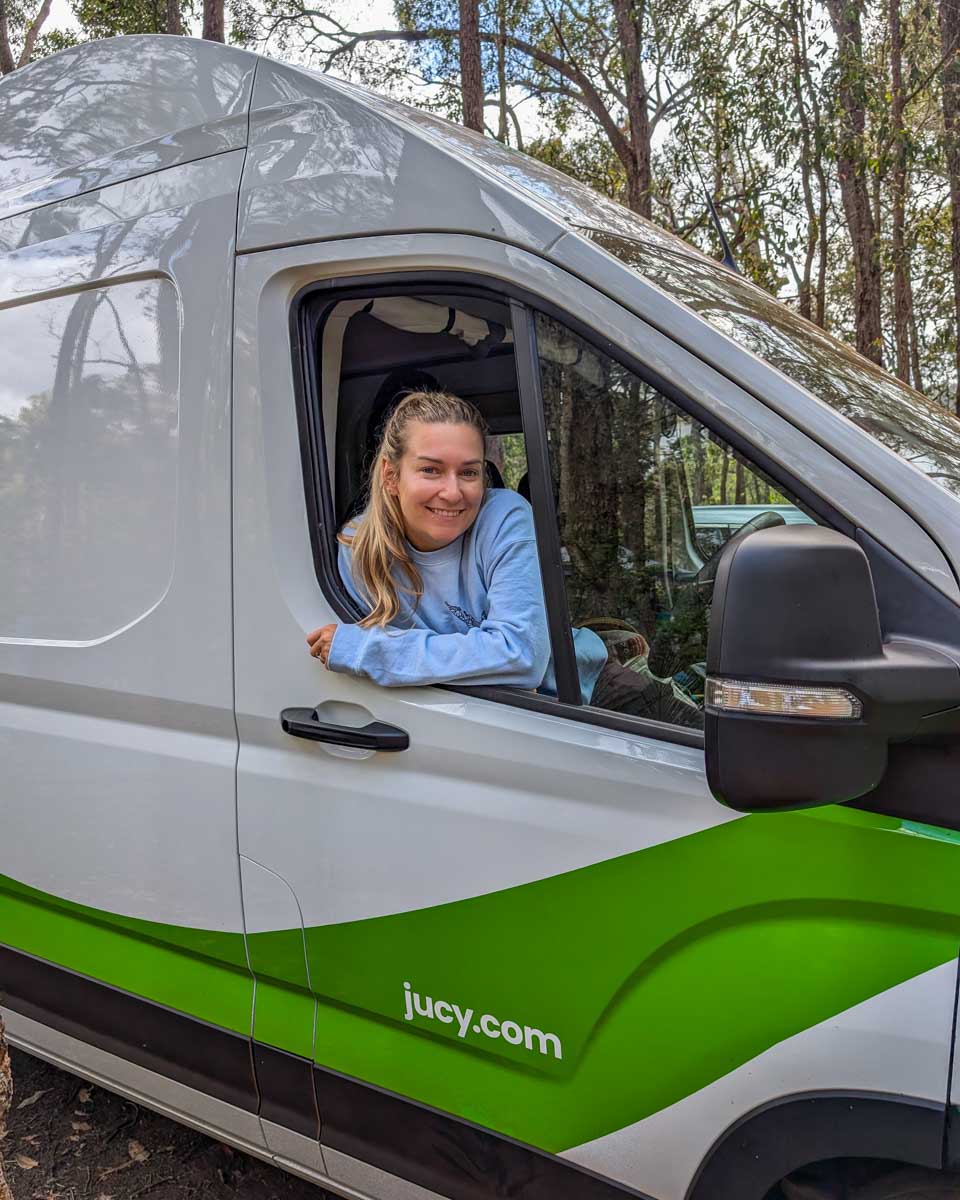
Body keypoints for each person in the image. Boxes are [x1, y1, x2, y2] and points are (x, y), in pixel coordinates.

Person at [306, 390, 606, 700]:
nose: (452, 493)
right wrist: (488, 662)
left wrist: (368, 651)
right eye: (430, 470)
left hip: (580, 689)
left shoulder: (504, 518)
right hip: (472, 709)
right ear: (391, 476)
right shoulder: (359, 546)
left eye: (468, 472)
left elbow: (521, 656)